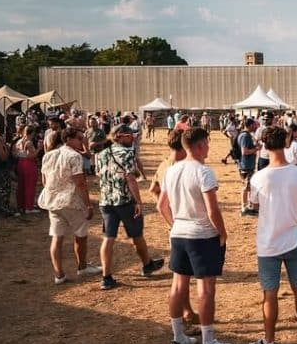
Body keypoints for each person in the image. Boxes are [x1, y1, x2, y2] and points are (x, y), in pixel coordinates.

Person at [157, 127, 233, 344]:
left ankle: (178, 337)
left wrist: (174, 225)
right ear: (199, 146)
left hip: (179, 232)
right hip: (202, 235)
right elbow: (212, 209)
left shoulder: (171, 171)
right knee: (206, 288)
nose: (209, 147)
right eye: (207, 143)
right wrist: (222, 232)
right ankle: (209, 343)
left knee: (178, 285)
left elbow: (162, 205)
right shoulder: (204, 172)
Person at [246, 126, 297, 344]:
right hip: (294, 238)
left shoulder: (259, 177)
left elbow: (254, 206)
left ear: (264, 146)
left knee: (269, 293)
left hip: (268, 242)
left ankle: (269, 340)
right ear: (286, 142)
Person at [94, 124, 163, 290]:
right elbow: (131, 179)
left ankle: (106, 276)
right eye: (130, 135)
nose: (133, 138)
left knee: (108, 237)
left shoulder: (101, 154)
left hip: (106, 201)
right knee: (136, 234)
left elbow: (99, 175)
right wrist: (139, 201)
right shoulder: (127, 153)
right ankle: (147, 265)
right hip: (125, 201)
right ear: (120, 136)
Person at [39, 128, 102, 284]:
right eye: (79, 138)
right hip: (71, 201)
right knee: (80, 235)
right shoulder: (74, 157)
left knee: (56, 237)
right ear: (68, 139)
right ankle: (82, 267)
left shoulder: (48, 155)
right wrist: (88, 205)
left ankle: (59, 274)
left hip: (52, 201)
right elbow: (80, 183)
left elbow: (44, 181)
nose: (82, 141)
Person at [149, 129, 198, 325]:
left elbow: (154, 190)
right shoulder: (181, 167)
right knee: (182, 278)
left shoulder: (164, 165)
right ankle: (185, 314)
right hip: (185, 225)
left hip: (175, 226)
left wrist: (169, 216)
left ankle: (187, 312)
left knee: (182, 275)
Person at [12, 125, 41, 214]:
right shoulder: (29, 142)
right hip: (29, 164)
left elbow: (14, 153)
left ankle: (21, 205)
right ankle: (29, 207)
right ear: (32, 133)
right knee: (30, 185)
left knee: (21, 185)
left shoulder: (19, 141)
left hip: (20, 163)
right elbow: (31, 156)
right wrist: (39, 148)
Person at [237, 118, 259, 216]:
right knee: (246, 187)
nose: (256, 127)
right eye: (254, 125)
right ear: (250, 125)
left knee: (249, 186)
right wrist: (256, 149)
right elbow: (244, 151)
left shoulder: (245, 135)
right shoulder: (245, 136)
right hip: (246, 165)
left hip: (246, 164)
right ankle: (244, 207)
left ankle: (248, 206)